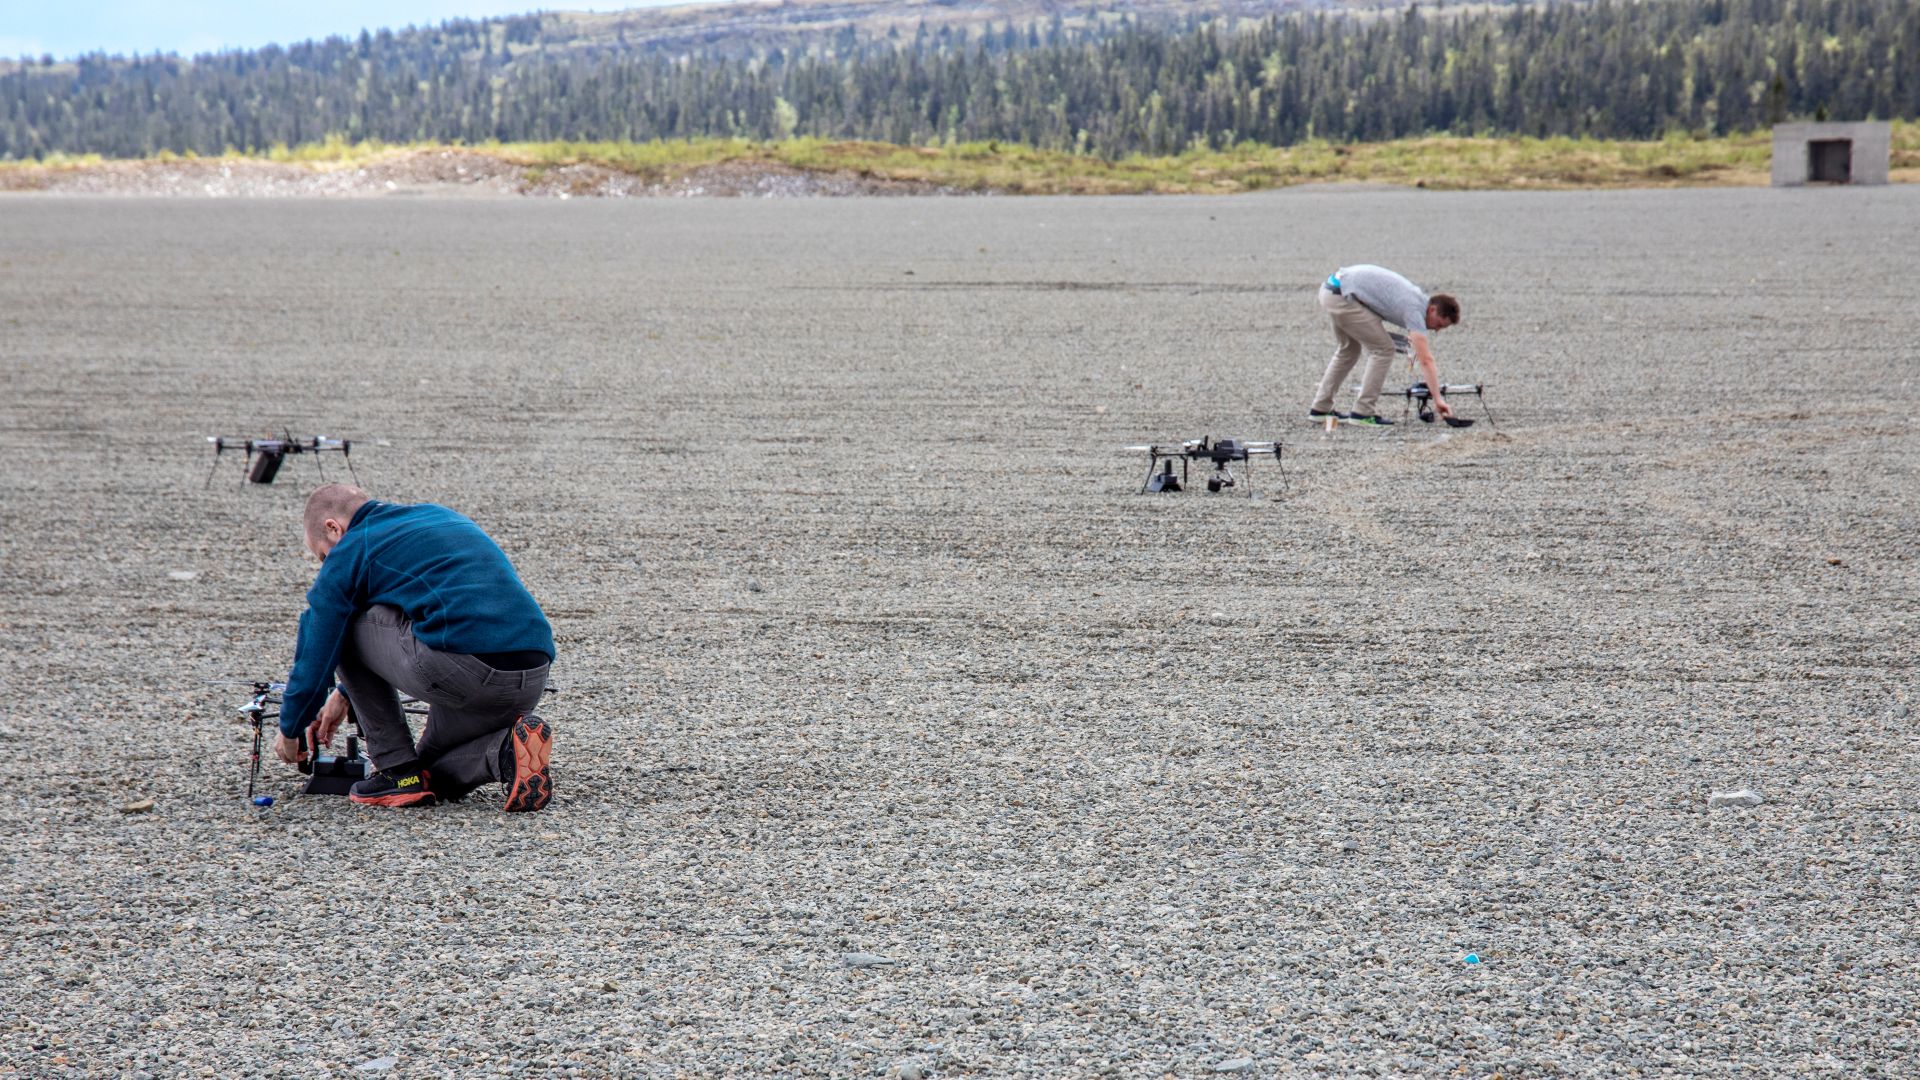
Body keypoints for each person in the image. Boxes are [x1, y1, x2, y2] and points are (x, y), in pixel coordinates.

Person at [273, 483, 556, 811]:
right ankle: (505, 752)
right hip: (531, 673)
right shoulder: (437, 516)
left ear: (333, 528)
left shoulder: (353, 547)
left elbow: (317, 646)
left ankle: (394, 768)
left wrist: (290, 729)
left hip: (464, 668)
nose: (326, 565)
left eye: (323, 555)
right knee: (427, 774)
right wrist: (345, 693)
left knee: (342, 622)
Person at [1308, 264, 1461, 426]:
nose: (1436, 329)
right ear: (1433, 310)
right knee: (1384, 350)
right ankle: (1363, 412)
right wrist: (1438, 399)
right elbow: (1426, 360)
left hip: (1332, 289)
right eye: (1439, 324)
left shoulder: (1416, 300)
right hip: (1343, 295)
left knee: (1349, 350)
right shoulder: (1415, 310)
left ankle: (1320, 409)